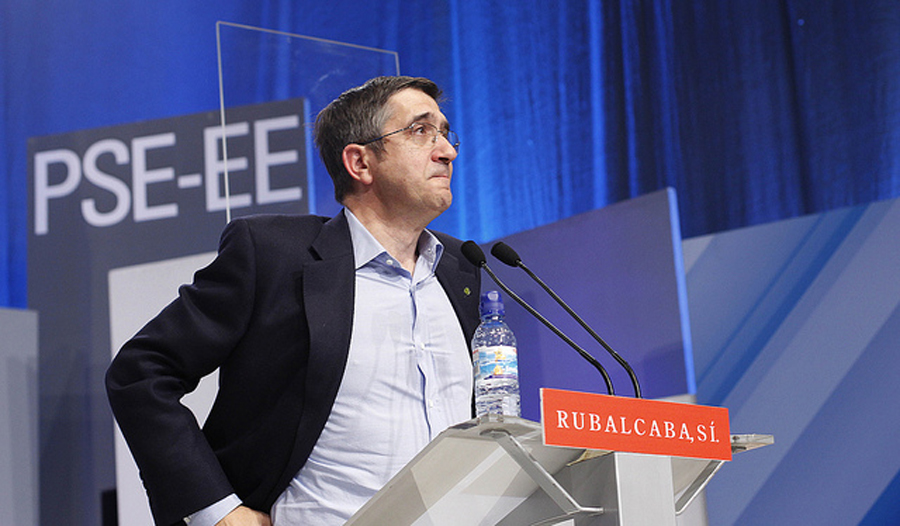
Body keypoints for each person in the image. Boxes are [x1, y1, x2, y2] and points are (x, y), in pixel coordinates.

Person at [106, 76, 481, 526]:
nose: (447, 151)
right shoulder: (275, 255)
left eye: (445, 133)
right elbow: (141, 373)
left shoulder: (461, 267)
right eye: (421, 131)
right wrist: (219, 512)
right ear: (360, 162)